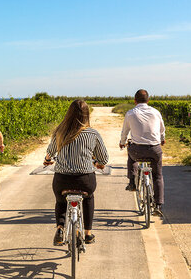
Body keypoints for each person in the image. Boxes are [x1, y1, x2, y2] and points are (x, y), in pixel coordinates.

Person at [44, 100, 109, 246]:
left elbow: (50, 152)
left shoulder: (60, 131)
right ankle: (88, 233)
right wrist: (99, 164)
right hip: (85, 180)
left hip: (62, 180)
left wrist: (47, 159)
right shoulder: (93, 133)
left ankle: (60, 228)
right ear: (86, 115)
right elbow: (104, 158)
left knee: (60, 201)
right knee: (89, 198)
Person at [119, 89, 165, 216]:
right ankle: (158, 205)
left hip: (137, 151)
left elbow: (125, 131)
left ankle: (132, 182)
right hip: (154, 150)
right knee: (157, 176)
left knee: (131, 155)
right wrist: (162, 139)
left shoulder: (130, 113)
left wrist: (122, 142)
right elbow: (162, 129)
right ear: (148, 100)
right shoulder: (156, 112)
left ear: (135, 101)